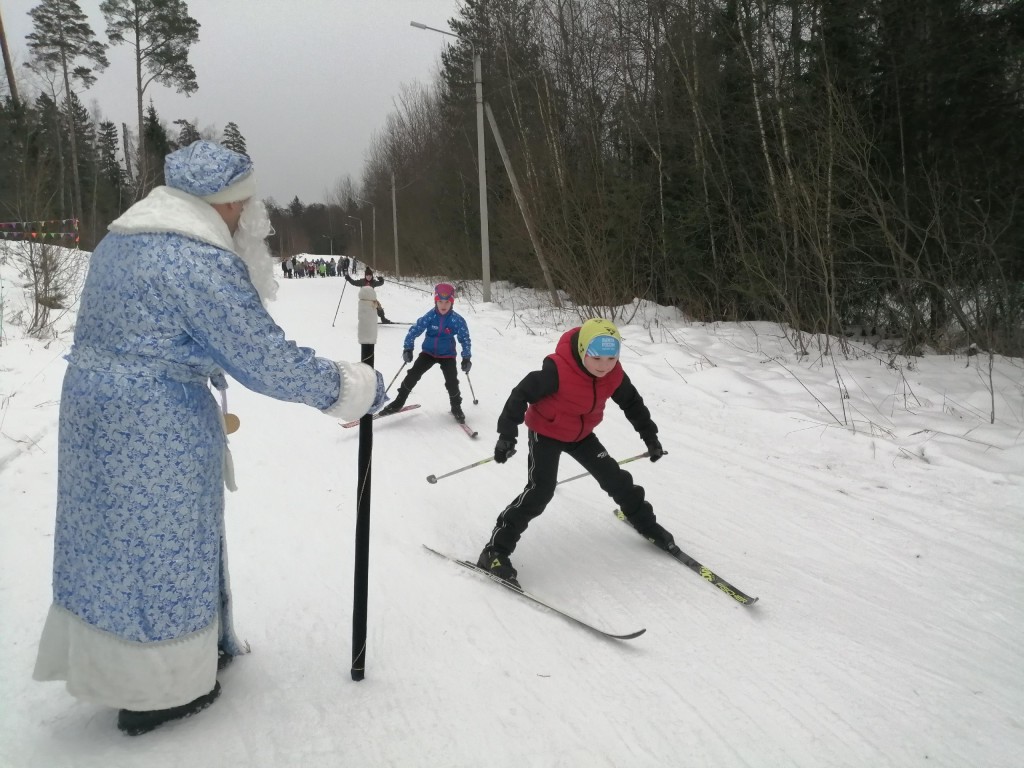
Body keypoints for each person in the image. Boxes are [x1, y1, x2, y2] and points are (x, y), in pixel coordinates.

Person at [32, 140, 387, 736]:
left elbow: (147, 327)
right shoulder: (197, 260)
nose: (250, 215)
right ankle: (158, 691)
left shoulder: (122, 241)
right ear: (223, 204)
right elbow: (265, 359)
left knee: (110, 542)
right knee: (163, 545)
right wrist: (349, 387)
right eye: (244, 204)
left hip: (92, 413)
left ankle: (153, 658)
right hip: (152, 425)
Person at [477, 318, 670, 588]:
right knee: (541, 491)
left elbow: (632, 403)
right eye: (597, 358)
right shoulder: (557, 371)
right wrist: (507, 435)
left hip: (581, 435)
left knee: (615, 478)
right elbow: (520, 394)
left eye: (611, 358)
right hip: (546, 432)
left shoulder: (614, 374)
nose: (604, 366)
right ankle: (494, 551)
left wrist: (650, 436)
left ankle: (645, 523)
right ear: (582, 351)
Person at [379, 282, 471, 423]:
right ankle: (398, 402)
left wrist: (466, 357)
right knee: (412, 375)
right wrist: (408, 348)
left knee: (452, 381)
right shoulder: (430, 316)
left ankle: (456, 406)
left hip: (447, 355)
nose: (443, 305)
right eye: (440, 301)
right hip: (428, 353)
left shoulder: (456, 320)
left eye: (447, 302)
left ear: (452, 302)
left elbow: (464, 339)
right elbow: (414, 331)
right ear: (435, 301)